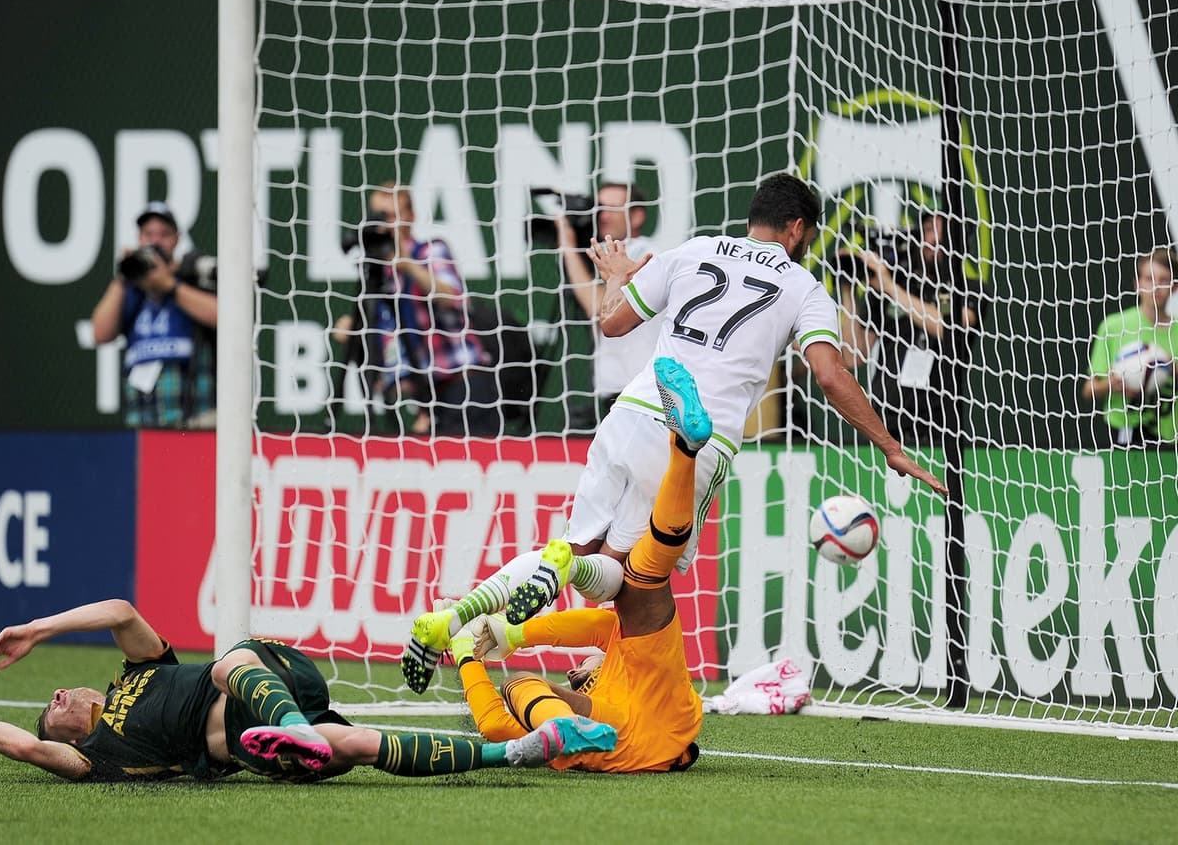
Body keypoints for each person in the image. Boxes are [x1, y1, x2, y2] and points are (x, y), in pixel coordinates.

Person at [402, 174, 948, 692]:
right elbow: (830, 374)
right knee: (638, 580)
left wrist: (617, 275)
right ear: (798, 229)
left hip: (631, 410)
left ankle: (455, 616)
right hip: (693, 441)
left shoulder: (693, 250)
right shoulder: (803, 286)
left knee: (575, 546)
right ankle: (565, 593)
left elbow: (612, 323)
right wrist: (892, 448)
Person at [0, 598, 617, 783]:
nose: (60, 699)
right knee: (357, 744)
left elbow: (122, 610)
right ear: (65, 732)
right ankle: (522, 751)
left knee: (223, 662)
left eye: (60, 696)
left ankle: (301, 735)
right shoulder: (100, 754)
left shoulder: (135, 671)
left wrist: (39, 626)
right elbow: (32, 751)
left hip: (270, 677)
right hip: (257, 747)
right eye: (54, 713)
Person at [409, 358, 712, 772]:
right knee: (644, 572)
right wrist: (503, 638)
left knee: (641, 574)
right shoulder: (622, 663)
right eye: (582, 665)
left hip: (619, 740)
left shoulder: (601, 689)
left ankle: (684, 452)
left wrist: (478, 651)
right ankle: (684, 453)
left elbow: (496, 727)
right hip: (658, 721)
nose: (574, 667)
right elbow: (596, 628)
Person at [331, 182, 500, 436]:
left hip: (465, 387)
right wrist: (356, 327)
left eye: (391, 216)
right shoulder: (379, 275)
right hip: (429, 398)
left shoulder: (430, 251)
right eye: (378, 215)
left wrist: (406, 264)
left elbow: (452, 296)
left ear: (410, 216)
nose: (385, 224)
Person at [838, 211, 986, 446]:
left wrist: (890, 287)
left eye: (942, 231)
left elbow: (950, 329)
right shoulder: (896, 286)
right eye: (928, 230)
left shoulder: (970, 288)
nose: (933, 240)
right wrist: (847, 288)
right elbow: (853, 355)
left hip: (936, 428)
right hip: (881, 425)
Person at [90, 202, 219, 429]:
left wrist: (169, 285)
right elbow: (100, 333)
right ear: (139, 238)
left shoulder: (191, 277)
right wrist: (124, 275)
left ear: (176, 239)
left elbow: (223, 317)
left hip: (194, 419)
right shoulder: (131, 290)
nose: (155, 241)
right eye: (148, 234)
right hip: (142, 419)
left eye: (164, 235)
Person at [558, 182, 661, 424]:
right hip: (624, 394)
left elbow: (597, 306)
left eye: (611, 208)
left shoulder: (642, 253)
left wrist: (567, 245)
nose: (601, 215)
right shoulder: (612, 255)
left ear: (636, 216)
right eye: (598, 207)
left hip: (640, 395)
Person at [1082, 247, 1177, 447]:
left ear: (1174, 287)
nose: (1155, 287)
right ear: (1137, 284)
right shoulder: (1114, 326)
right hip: (1126, 431)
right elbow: (1089, 389)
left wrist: (1170, 368)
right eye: (1149, 279)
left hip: (1171, 434)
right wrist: (1111, 384)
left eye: (1163, 280)